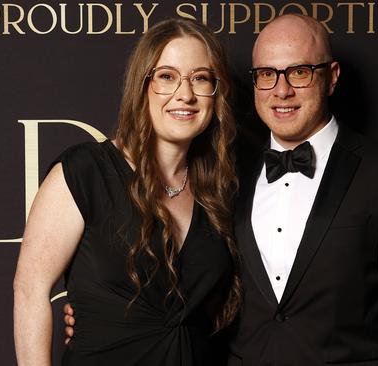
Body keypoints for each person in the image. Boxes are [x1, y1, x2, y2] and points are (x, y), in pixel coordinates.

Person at [65, 13, 378, 366]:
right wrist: (104, 313)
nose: (282, 90)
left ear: (332, 77)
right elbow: (193, 282)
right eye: (267, 75)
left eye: (300, 72)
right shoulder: (225, 176)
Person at [13, 18, 242, 366]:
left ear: (216, 93)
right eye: (167, 76)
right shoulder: (85, 171)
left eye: (201, 78)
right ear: (142, 85)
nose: (186, 94)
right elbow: (30, 293)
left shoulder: (219, 191)